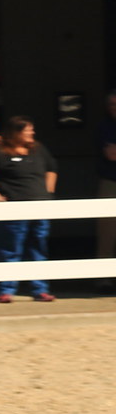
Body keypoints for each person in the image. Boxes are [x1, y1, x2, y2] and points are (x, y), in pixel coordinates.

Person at [0, 115, 57, 302]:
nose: (32, 133)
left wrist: (48, 191)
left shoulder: (38, 149)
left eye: (32, 130)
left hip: (40, 207)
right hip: (13, 210)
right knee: (10, 249)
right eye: (27, 130)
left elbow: (52, 167)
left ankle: (40, 289)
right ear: (15, 133)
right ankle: (6, 290)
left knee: (38, 247)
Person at [95, 89, 116, 291]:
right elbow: (111, 154)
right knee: (107, 231)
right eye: (111, 105)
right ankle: (104, 279)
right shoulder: (105, 127)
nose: (114, 108)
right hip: (111, 182)